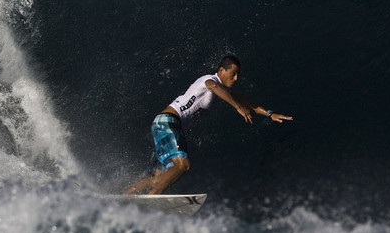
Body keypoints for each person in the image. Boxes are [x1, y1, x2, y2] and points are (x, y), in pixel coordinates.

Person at [123, 54, 291, 196]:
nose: (236, 78)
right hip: (169, 122)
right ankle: (153, 197)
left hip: (162, 123)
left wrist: (269, 114)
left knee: (158, 177)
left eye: (238, 75)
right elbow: (214, 87)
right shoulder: (210, 80)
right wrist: (238, 107)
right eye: (233, 74)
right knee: (182, 165)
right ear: (221, 70)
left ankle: (124, 197)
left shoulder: (222, 89)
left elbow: (244, 101)